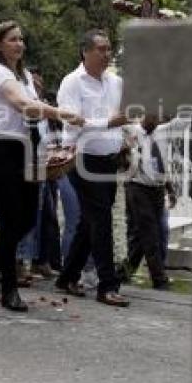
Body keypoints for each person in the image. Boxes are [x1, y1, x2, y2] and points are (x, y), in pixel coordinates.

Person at [0, 21, 83, 312]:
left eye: (21, 39)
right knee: (11, 218)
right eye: (12, 39)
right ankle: (9, 289)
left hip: (26, 150)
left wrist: (51, 147)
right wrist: (60, 112)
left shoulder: (23, 74)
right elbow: (23, 105)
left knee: (26, 220)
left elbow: (33, 113)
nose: (19, 44)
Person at [55, 29, 131, 307]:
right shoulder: (72, 82)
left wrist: (125, 135)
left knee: (91, 220)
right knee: (101, 220)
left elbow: (123, 116)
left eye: (109, 48)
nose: (107, 54)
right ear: (85, 52)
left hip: (109, 158)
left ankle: (68, 276)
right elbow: (73, 121)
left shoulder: (116, 82)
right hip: (82, 157)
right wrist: (108, 123)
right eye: (101, 49)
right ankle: (107, 285)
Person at [122, 115, 176, 289]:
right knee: (150, 233)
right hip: (137, 187)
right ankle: (159, 279)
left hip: (157, 190)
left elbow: (160, 165)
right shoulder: (131, 129)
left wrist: (170, 189)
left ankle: (123, 273)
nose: (152, 121)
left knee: (142, 235)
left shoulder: (162, 132)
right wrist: (126, 146)